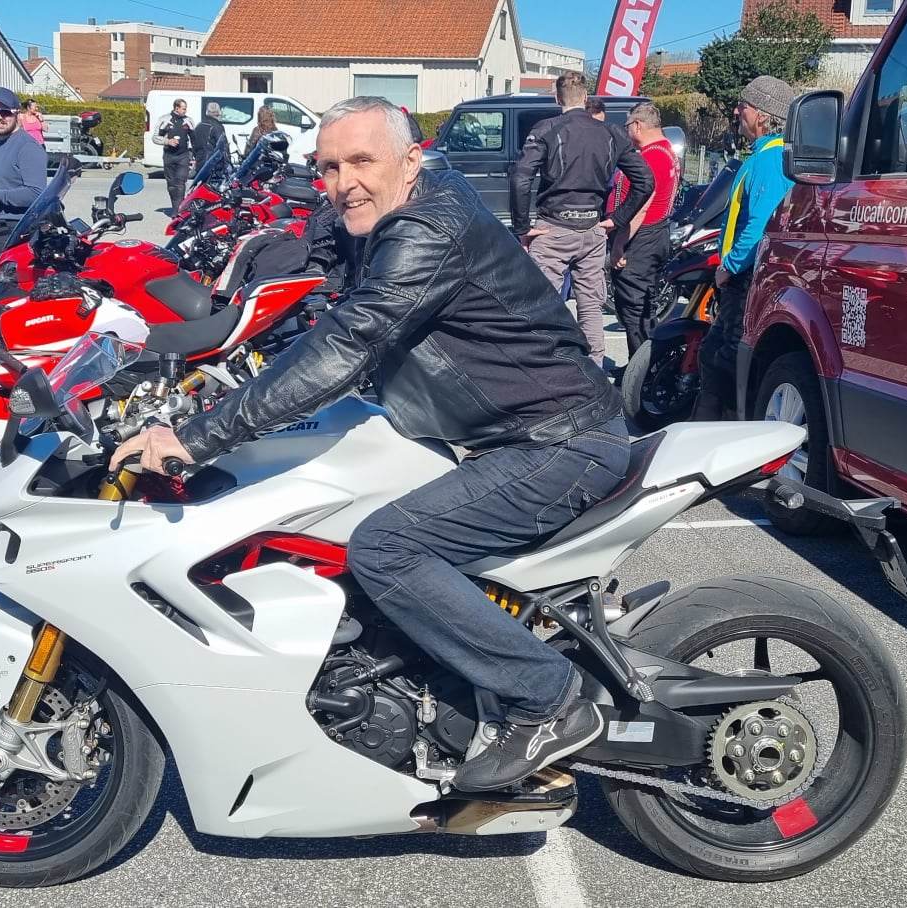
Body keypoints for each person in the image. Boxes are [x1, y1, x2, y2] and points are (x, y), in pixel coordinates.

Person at [111, 97, 629, 792]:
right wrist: (216, 375)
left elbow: (351, 340)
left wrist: (198, 436)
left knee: (386, 548)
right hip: (501, 434)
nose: (343, 181)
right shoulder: (391, 214)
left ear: (411, 161)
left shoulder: (427, 228)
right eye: (329, 166)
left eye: (361, 161)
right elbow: (334, 313)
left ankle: (548, 699)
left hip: (557, 441)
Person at [511, 71, 651, 366]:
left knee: (543, 306)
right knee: (591, 308)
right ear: (586, 98)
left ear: (557, 98)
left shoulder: (546, 129)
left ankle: (544, 370)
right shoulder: (611, 133)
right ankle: (595, 372)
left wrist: (522, 228)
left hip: (553, 229)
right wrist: (617, 219)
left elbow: (521, 179)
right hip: (592, 227)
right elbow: (645, 181)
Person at [696, 76, 796, 421]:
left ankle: (718, 434)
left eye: (744, 105)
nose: (737, 112)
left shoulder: (771, 159)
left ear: (763, 115)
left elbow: (760, 225)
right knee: (716, 354)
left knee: (724, 360)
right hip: (746, 277)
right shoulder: (767, 155)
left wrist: (730, 266)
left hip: (747, 279)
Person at [608, 102, 680, 359]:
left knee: (634, 309)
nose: (626, 131)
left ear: (637, 125)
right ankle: (639, 366)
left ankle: (641, 370)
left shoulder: (652, 157)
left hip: (641, 239)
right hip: (654, 235)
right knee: (642, 305)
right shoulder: (666, 152)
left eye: (627, 126)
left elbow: (641, 207)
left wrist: (619, 245)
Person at [0, 86, 47, 267]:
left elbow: (37, 194)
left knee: (11, 285)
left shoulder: (28, 147)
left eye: (5, 112)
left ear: (17, 113)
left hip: (16, 232)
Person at [155, 98, 193, 212]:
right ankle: (175, 207)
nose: (185, 111)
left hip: (183, 156)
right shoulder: (164, 120)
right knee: (171, 185)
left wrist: (195, 154)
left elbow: (194, 139)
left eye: (186, 109)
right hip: (169, 156)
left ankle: (179, 211)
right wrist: (168, 141)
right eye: (183, 109)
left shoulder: (188, 121)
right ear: (177, 108)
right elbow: (155, 138)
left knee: (180, 183)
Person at [192, 101, 229, 166]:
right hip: (213, 163)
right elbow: (223, 145)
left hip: (200, 161)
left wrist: (197, 157)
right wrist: (227, 161)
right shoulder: (218, 127)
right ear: (218, 113)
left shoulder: (199, 125)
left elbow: (194, 144)